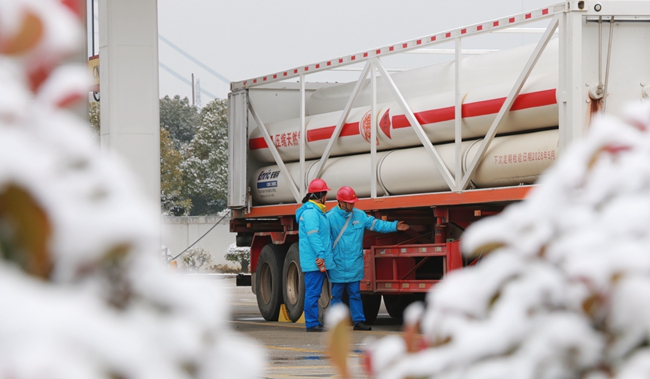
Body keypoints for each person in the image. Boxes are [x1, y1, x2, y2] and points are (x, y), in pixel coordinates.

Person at [327, 186, 409, 331]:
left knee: (355, 295)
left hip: (354, 263)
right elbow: (324, 240)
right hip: (337, 264)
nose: (352, 205)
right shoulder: (329, 218)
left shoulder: (360, 215)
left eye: (353, 202)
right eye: (349, 202)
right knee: (337, 296)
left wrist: (395, 226)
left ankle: (359, 321)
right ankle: (334, 323)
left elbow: (377, 225)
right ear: (341, 202)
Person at [296, 178, 336, 332]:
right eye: (325, 193)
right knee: (313, 292)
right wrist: (321, 255)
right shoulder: (312, 213)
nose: (327, 197)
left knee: (315, 292)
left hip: (317, 259)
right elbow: (314, 236)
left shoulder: (316, 211)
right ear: (320, 195)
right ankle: (312, 323)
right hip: (315, 260)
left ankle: (314, 322)